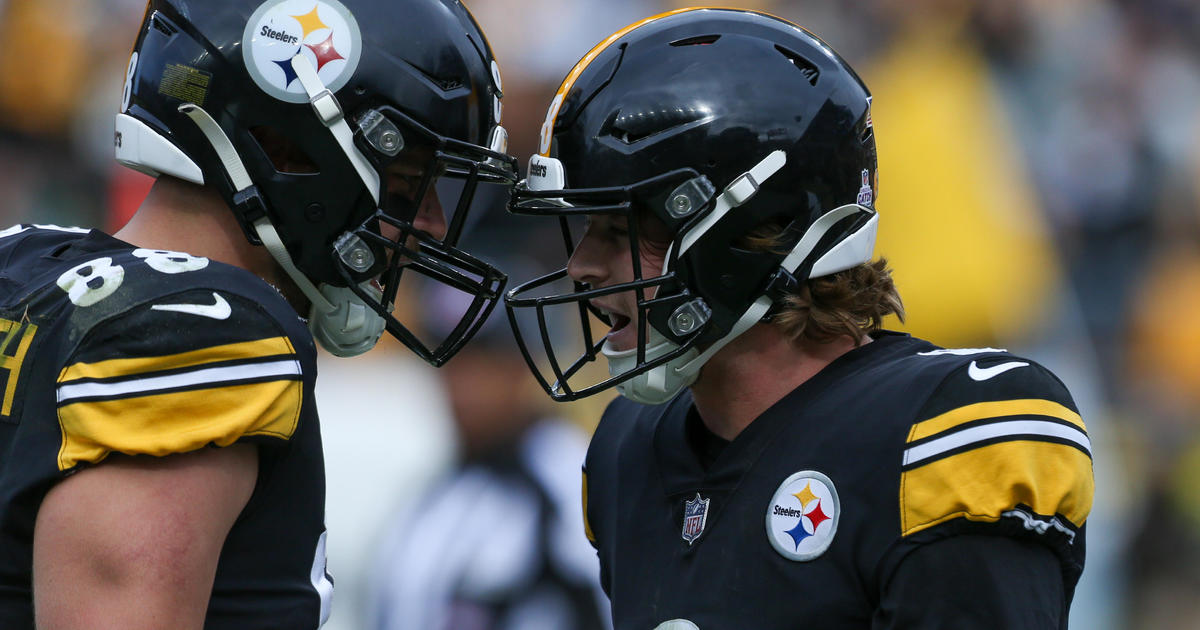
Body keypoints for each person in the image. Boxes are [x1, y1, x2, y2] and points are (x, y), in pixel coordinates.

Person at [503, 7, 1094, 629]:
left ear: (756, 226)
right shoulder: (630, 450)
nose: (581, 266)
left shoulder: (937, 431)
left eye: (619, 228)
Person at [0, 0, 516, 628]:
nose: (430, 221)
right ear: (284, 148)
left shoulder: (23, 261)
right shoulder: (199, 330)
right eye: (408, 181)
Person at [367, 273, 611, 630]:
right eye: (448, 361)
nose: (461, 385)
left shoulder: (569, 477)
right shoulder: (438, 488)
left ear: (523, 365)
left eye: (482, 361)